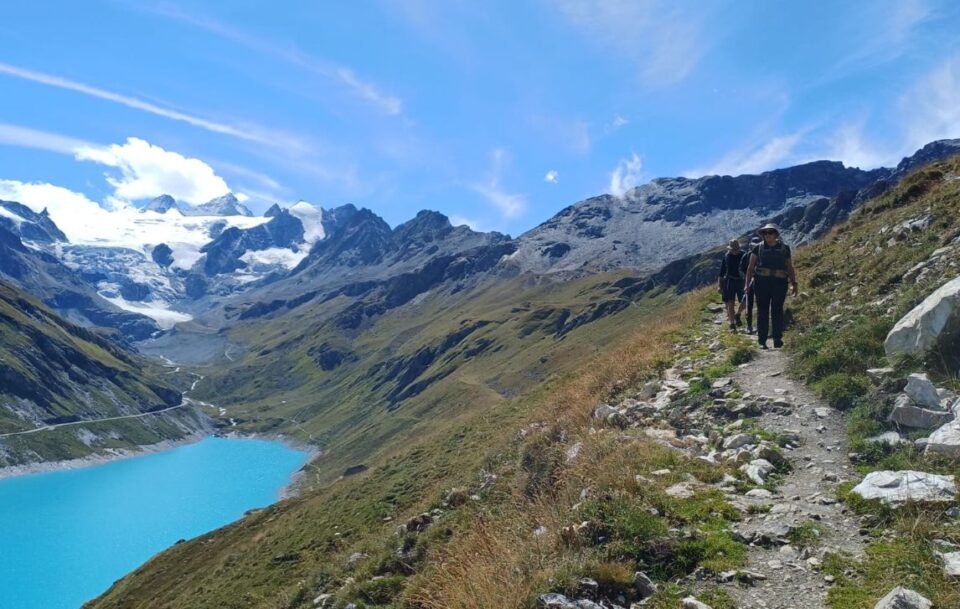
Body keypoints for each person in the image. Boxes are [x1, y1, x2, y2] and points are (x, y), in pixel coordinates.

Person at [743, 223, 799, 349]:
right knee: (762, 310)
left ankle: (777, 338)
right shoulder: (757, 248)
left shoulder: (785, 248)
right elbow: (750, 268)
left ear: (775, 234)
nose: (767, 235)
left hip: (780, 282)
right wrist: (747, 285)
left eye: (770, 232)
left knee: (777, 309)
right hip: (761, 282)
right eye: (765, 233)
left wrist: (794, 283)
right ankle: (762, 340)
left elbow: (789, 267)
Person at [717, 239, 746, 332]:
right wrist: (719, 286)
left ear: (739, 248)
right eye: (732, 249)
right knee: (730, 302)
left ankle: (738, 314)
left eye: (736, 249)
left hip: (741, 281)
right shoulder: (726, 256)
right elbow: (721, 272)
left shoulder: (744, 255)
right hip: (730, 281)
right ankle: (732, 324)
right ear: (730, 249)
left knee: (744, 302)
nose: (734, 251)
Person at [739, 235, 762, 334]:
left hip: (760, 281)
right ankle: (749, 326)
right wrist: (747, 279)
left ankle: (758, 326)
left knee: (760, 304)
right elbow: (742, 269)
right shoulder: (747, 256)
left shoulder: (762, 255)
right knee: (749, 304)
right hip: (749, 282)